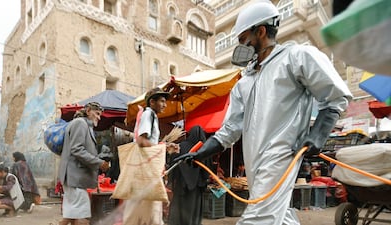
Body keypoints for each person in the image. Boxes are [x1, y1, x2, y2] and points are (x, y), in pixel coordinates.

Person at [174, 1, 353, 224]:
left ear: (260, 31)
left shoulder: (297, 57)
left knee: (259, 218)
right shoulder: (243, 82)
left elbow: (336, 97)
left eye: (242, 39)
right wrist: (201, 153)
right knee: (279, 215)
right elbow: (230, 130)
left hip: (282, 154)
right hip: (254, 163)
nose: (240, 46)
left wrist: (317, 135)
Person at [122, 87, 178, 225]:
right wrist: (162, 147)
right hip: (145, 168)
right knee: (147, 205)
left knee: (147, 205)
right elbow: (141, 141)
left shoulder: (152, 116)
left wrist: (164, 146)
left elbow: (148, 142)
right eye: (162, 101)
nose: (165, 105)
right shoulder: (149, 114)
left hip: (146, 167)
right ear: (152, 102)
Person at [58, 102, 110, 225]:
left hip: (73, 178)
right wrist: (99, 163)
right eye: (97, 114)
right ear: (88, 111)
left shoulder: (84, 125)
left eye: (100, 115)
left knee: (70, 216)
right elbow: (77, 149)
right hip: (75, 178)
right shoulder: (80, 123)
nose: (99, 117)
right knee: (83, 217)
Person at [167, 125, 211, 225]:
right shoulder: (204, 149)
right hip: (196, 187)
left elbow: (173, 162)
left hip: (181, 185)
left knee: (180, 209)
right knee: (193, 210)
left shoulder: (180, 146)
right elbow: (207, 169)